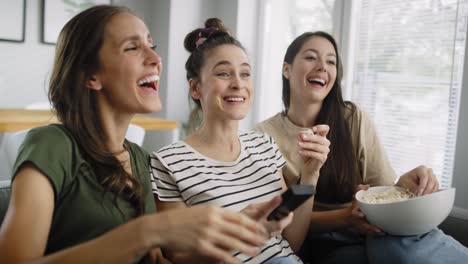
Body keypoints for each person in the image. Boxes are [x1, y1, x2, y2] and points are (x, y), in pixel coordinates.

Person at [0, 6, 277, 264]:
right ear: (90, 75)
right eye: (133, 48)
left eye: (152, 46)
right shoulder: (52, 146)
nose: (156, 59)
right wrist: (145, 231)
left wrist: (234, 235)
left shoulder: (143, 162)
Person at [255, 31, 468, 264]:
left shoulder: (353, 118)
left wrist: (404, 186)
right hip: (323, 240)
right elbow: (284, 223)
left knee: (404, 249)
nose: (322, 67)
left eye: (331, 61)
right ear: (287, 69)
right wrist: (345, 217)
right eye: (311, 57)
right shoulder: (264, 136)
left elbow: (383, 191)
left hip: (375, 228)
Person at [151, 19, 331, 264]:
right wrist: (236, 232)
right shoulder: (168, 162)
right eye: (224, 73)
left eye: (245, 73)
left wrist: (310, 174)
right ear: (195, 88)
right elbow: (179, 257)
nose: (238, 83)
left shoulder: (264, 146)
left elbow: (292, 241)